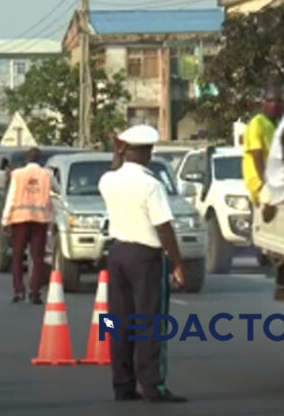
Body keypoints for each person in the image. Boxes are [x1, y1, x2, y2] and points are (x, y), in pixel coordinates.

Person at [98, 125, 187, 404]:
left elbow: (114, 169)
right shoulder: (151, 184)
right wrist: (178, 264)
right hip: (145, 257)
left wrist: (118, 152)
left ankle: (122, 385)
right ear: (146, 152)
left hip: (118, 253)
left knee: (119, 322)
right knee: (151, 323)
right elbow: (163, 227)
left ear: (125, 151)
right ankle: (153, 386)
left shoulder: (107, 180)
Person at [0, 147, 53, 305]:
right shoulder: (47, 174)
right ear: (40, 159)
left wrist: (5, 220)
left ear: (27, 159)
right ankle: (34, 292)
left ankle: (18, 291)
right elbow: (56, 191)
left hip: (20, 220)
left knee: (17, 257)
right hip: (40, 220)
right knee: (38, 258)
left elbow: (11, 197)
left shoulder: (17, 175)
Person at [242, 86, 284, 206]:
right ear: (263, 104)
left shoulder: (277, 125)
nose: (274, 104)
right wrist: (266, 184)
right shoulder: (257, 123)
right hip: (259, 183)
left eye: (278, 101)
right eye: (270, 101)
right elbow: (257, 156)